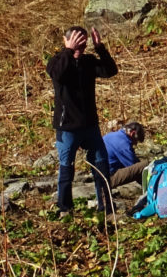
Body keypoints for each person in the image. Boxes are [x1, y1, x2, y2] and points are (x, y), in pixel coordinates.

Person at [47, 25, 118, 215]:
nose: (81, 46)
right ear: (66, 40)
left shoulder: (88, 62)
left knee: (101, 165)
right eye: (77, 41)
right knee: (66, 168)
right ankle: (65, 208)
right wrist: (69, 51)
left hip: (90, 125)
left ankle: (107, 208)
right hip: (67, 126)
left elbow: (110, 70)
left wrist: (100, 48)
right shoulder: (57, 62)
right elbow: (58, 75)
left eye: (83, 42)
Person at [103, 122, 147, 189]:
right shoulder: (123, 144)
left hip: (100, 176)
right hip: (108, 180)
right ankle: (150, 188)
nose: (135, 144)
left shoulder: (112, 135)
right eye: (136, 141)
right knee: (144, 165)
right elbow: (134, 166)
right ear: (132, 133)